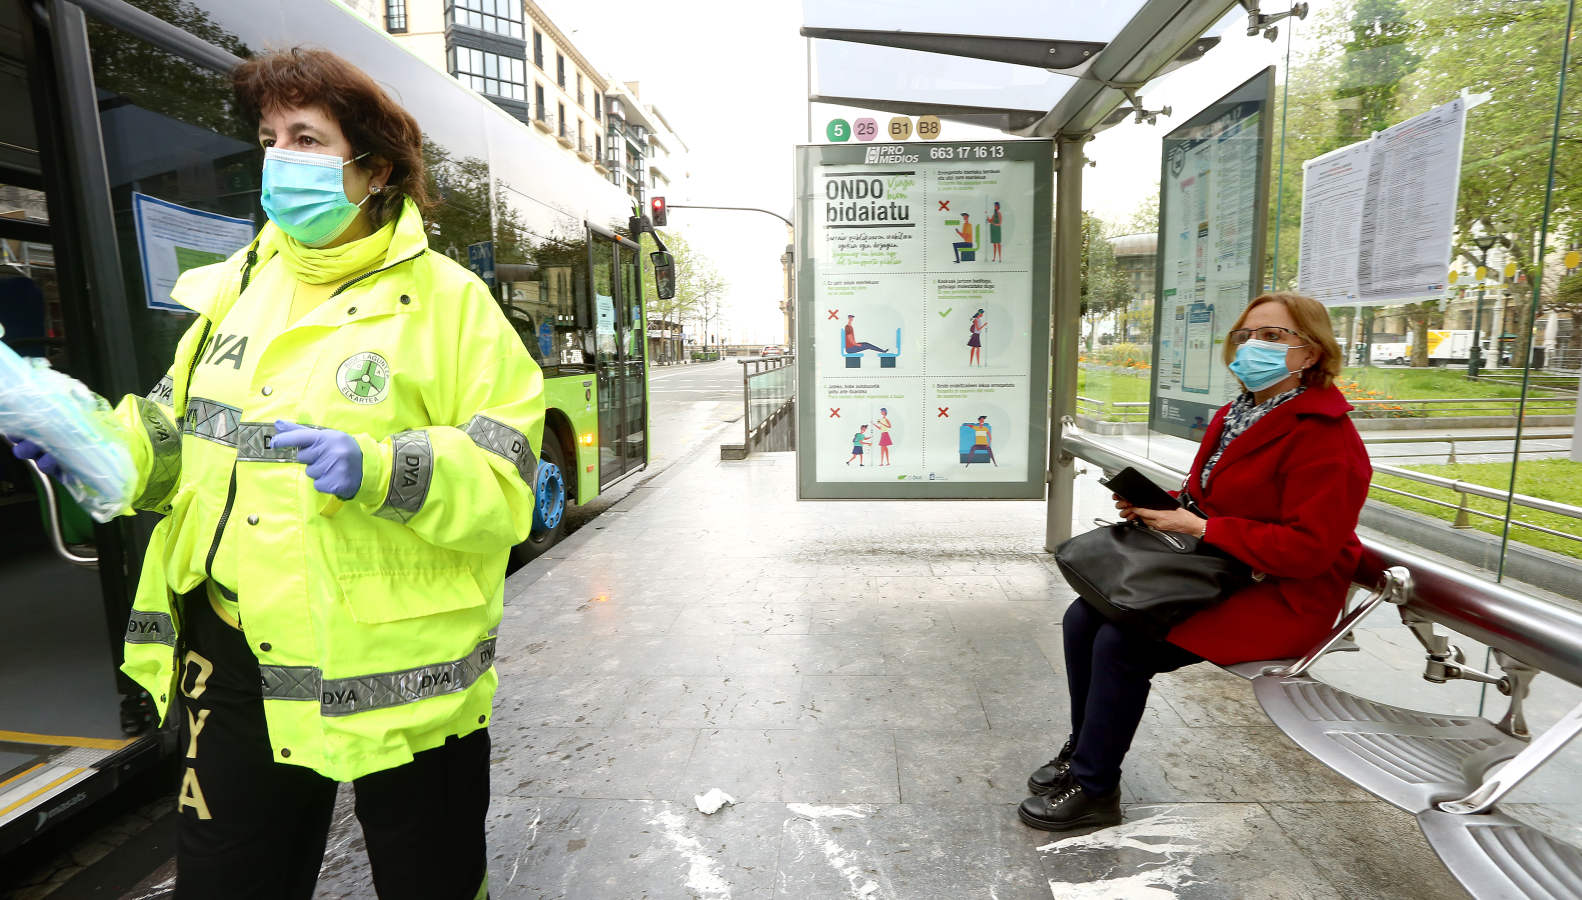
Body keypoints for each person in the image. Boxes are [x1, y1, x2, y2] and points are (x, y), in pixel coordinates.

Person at [14, 48, 543, 898]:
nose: (279, 158)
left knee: (431, 881)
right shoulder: (236, 290)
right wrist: (97, 445)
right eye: (268, 137)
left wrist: (382, 469)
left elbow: (507, 482)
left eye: (306, 137)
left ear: (371, 168)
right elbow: (179, 436)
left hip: (403, 677)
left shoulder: (451, 305)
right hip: (236, 660)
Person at [1018, 291, 1370, 833]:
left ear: (1312, 353)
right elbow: (1207, 498)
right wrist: (1164, 508)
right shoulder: (1236, 415)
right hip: (1221, 569)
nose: (1254, 345)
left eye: (1274, 336)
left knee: (1123, 642)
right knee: (1081, 617)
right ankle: (1085, 747)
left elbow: (1310, 549)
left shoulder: (1327, 437)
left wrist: (1202, 527)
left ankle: (1094, 786)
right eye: (1248, 335)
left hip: (1282, 593)